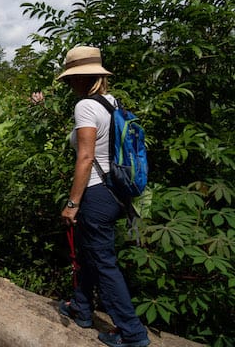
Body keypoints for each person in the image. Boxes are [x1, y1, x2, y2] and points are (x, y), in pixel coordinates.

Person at [56, 46, 150, 347]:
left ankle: (132, 333)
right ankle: (81, 309)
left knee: (104, 262)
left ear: (82, 78)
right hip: (115, 193)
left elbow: (85, 158)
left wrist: (72, 203)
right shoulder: (113, 103)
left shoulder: (85, 106)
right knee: (88, 252)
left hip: (95, 193)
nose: (70, 85)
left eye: (71, 79)